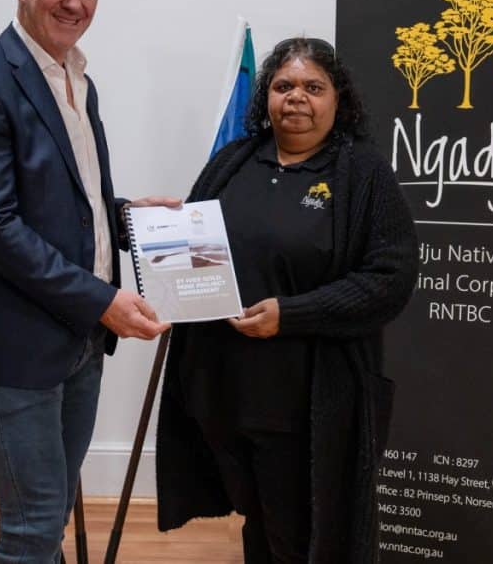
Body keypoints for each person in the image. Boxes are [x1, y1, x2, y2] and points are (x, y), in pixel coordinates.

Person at [0, 0, 176, 562]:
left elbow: (63, 196)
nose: (75, 3)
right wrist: (102, 298)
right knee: (32, 525)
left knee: (50, 513)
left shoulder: (76, 76)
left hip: (78, 342)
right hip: (15, 347)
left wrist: (125, 217)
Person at [155, 37, 419, 563]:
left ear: (337, 99)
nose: (297, 97)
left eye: (313, 87)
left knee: (301, 537)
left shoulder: (362, 172)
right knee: (260, 526)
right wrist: (145, 229)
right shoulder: (234, 160)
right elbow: (194, 251)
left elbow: (390, 278)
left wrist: (292, 314)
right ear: (267, 97)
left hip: (305, 402)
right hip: (225, 393)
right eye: (284, 86)